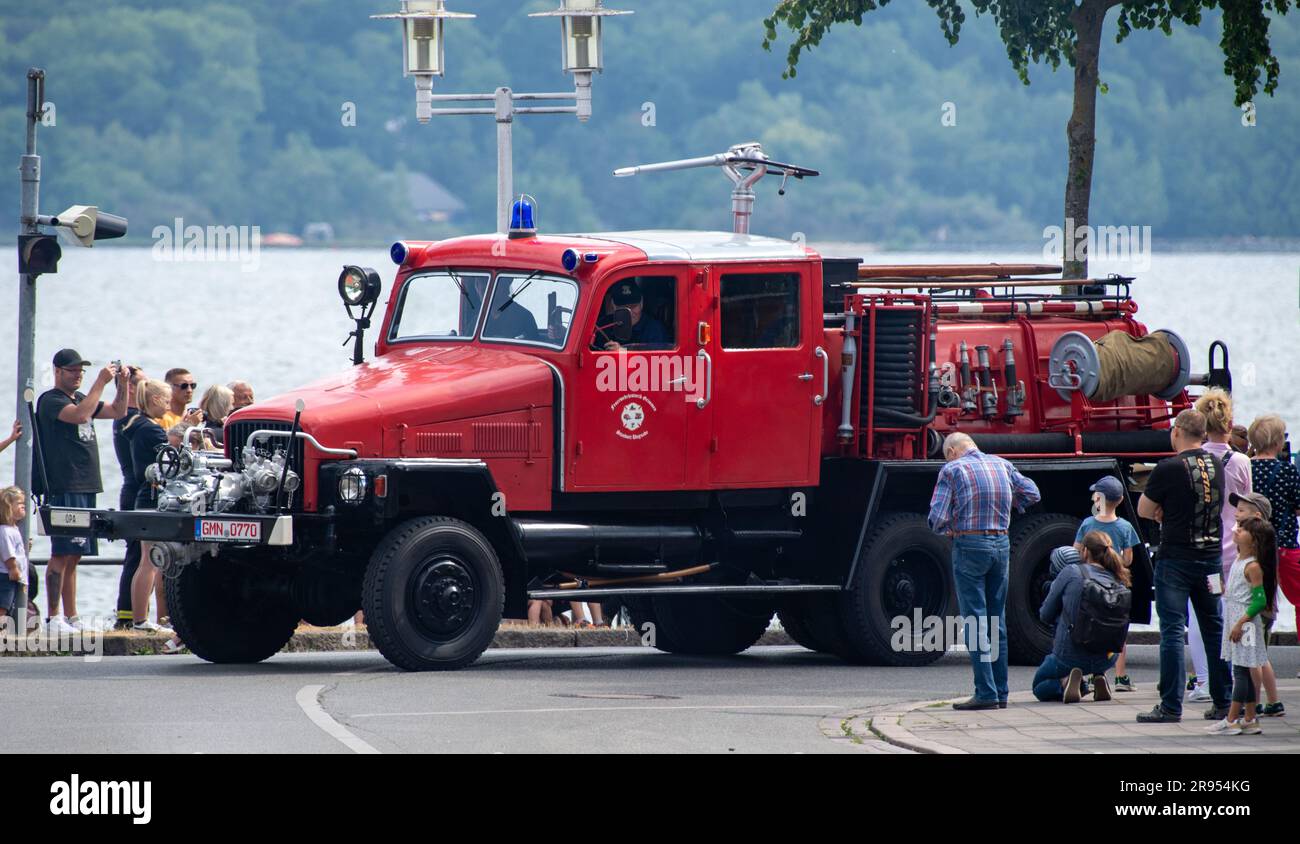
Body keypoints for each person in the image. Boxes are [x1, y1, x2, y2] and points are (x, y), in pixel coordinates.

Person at [927, 431, 1041, 710]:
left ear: (952, 451)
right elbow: (1032, 494)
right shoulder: (1001, 464)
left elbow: (936, 518)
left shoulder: (952, 469)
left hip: (970, 544)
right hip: (1001, 543)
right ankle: (1001, 692)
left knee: (976, 621)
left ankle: (986, 693)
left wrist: (948, 528)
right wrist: (1016, 506)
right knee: (996, 620)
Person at [1135, 409, 1233, 723]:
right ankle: (1223, 700)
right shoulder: (1216, 464)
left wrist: (1165, 510)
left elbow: (1145, 509)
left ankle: (1170, 706)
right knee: (1214, 628)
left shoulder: (1168, 467)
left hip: (1176, 560)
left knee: (1173, 631)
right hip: (1211, 559)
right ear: (1203, 434)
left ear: (1176, 431)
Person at [34, 349, 129, 634]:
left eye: (81, 371)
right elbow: (79, 416)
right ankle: (53, 618)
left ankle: (71, 616)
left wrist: (121, 385)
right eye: (72, 370)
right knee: (61, 551)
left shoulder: (80, 398)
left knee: (76, 553)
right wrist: (99, 381)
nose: (78, 375)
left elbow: (117, 411)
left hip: (86, 483)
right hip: (64, 483)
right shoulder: (50, 400)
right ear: (58, 371)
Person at [1182, 389, 1251, 704]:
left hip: (1202, 549)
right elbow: (1247, 507)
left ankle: (1205, 681)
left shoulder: (1192, 461)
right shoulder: (1240, 462)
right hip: (1233, 551)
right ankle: (1238, 678)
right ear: (1229, 421)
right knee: (1233, 614)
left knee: (1199, 617)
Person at [1034, 534, 1130, 703]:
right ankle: (1099, 676)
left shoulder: (1071, 572)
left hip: (1070, 655)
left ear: (1085, 551)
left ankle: (1069, 683)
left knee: (1040, 685)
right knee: (1096, 659)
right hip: (1109, 656)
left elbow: (1045, 615)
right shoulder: (1117, 576)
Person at [1206, 516, 1278, 736]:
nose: (1236, 529)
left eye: (1242, 529)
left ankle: (1231, 718)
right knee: (1243, 670)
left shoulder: (1253, 566)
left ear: (1254, 540)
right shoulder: (1240, 560)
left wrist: (1239, 623)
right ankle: (1249, 718)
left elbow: (1259, 600)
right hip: (1237, 620)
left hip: (1244, 625)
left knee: (1240, 671)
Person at [1072, 475, 1141, 692]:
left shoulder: (1088, 524)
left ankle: (1095, 676)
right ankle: (1120, 678)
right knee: (1117, 631)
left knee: (1093, 628)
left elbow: (1076, 551)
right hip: (1117, 584)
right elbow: (1129, 559)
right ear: (1120, 500)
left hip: (1092, 584)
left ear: (1098, 499)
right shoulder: (1125, 527)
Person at [1228, 490, 1284, 714]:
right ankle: (1273, 701)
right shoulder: (1258, 547)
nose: (1236, 516)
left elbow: (1257, 596)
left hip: (1253, 613)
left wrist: (1242, 619)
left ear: (1257, 518)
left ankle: (1254, 704)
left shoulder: (1254, 557)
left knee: (1251, 660)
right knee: (1261, 657)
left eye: (1241, 511)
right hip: (1261, 611)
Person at [123, 379, 173, 632]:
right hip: (151, 498)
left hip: (143, 497)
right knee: (149, 562)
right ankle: (141, 619)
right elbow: (169, 463)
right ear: (154, 400)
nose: (168, 405)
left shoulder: (137, 425)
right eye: (166, 400)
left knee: (147, 561)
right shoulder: (151, 430)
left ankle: (140, 618)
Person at [1246, 416, 1300, 639]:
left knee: (1255, 600)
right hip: (1284, 544)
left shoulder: (1246, 467)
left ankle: (1255, 655)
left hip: (1252, 546)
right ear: (1278, 443)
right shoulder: (1287, 471)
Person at [112, 366, 148, 630]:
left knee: (136, 554)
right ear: (132, 387)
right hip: (135, 491)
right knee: (137, 555)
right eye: (144, 383)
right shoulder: (132, 419)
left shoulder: (124, 417)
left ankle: (128, 614)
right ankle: (128, 615)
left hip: (130, 489)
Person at [592, 281, 670, 351]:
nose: (629, 312)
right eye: (623, 307)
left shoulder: (654, 329)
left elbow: (658, 360)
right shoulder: (603, 326)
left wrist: (623, 353)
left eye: (633, 306)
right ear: (613, 305)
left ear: (641, 303)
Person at [0, 487, 31, 632]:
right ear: (8, 507)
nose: (23, 506)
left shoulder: (14, 529)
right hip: (6, 575)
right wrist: (13, 567)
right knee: (3, 605)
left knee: (8, 604)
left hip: (12, 575)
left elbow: (16, 550)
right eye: (19, 503)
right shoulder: (5, 531)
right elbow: (7, 552)